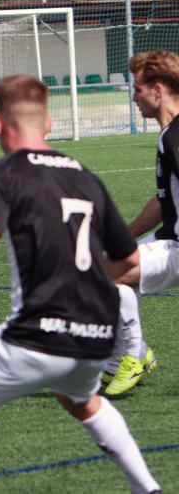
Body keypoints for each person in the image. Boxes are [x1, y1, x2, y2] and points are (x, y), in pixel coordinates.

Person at [0, 76, 161, 494]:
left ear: (0, 125)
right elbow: (128, 259)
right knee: (80, 400)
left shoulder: (3, 174)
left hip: (37, 335)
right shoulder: (86, 177)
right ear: (49, 122)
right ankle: (149, 488)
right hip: (95, 337)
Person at [104, 49, 179, 394]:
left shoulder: (175, 136)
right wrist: (125, 236)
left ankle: (131, 352)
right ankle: (133, 352)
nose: (134, 97)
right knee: (107, 268)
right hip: (168, 237)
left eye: (137, 89)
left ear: (159, 89)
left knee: (109, 272)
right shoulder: (169, 134)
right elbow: (164, 199)